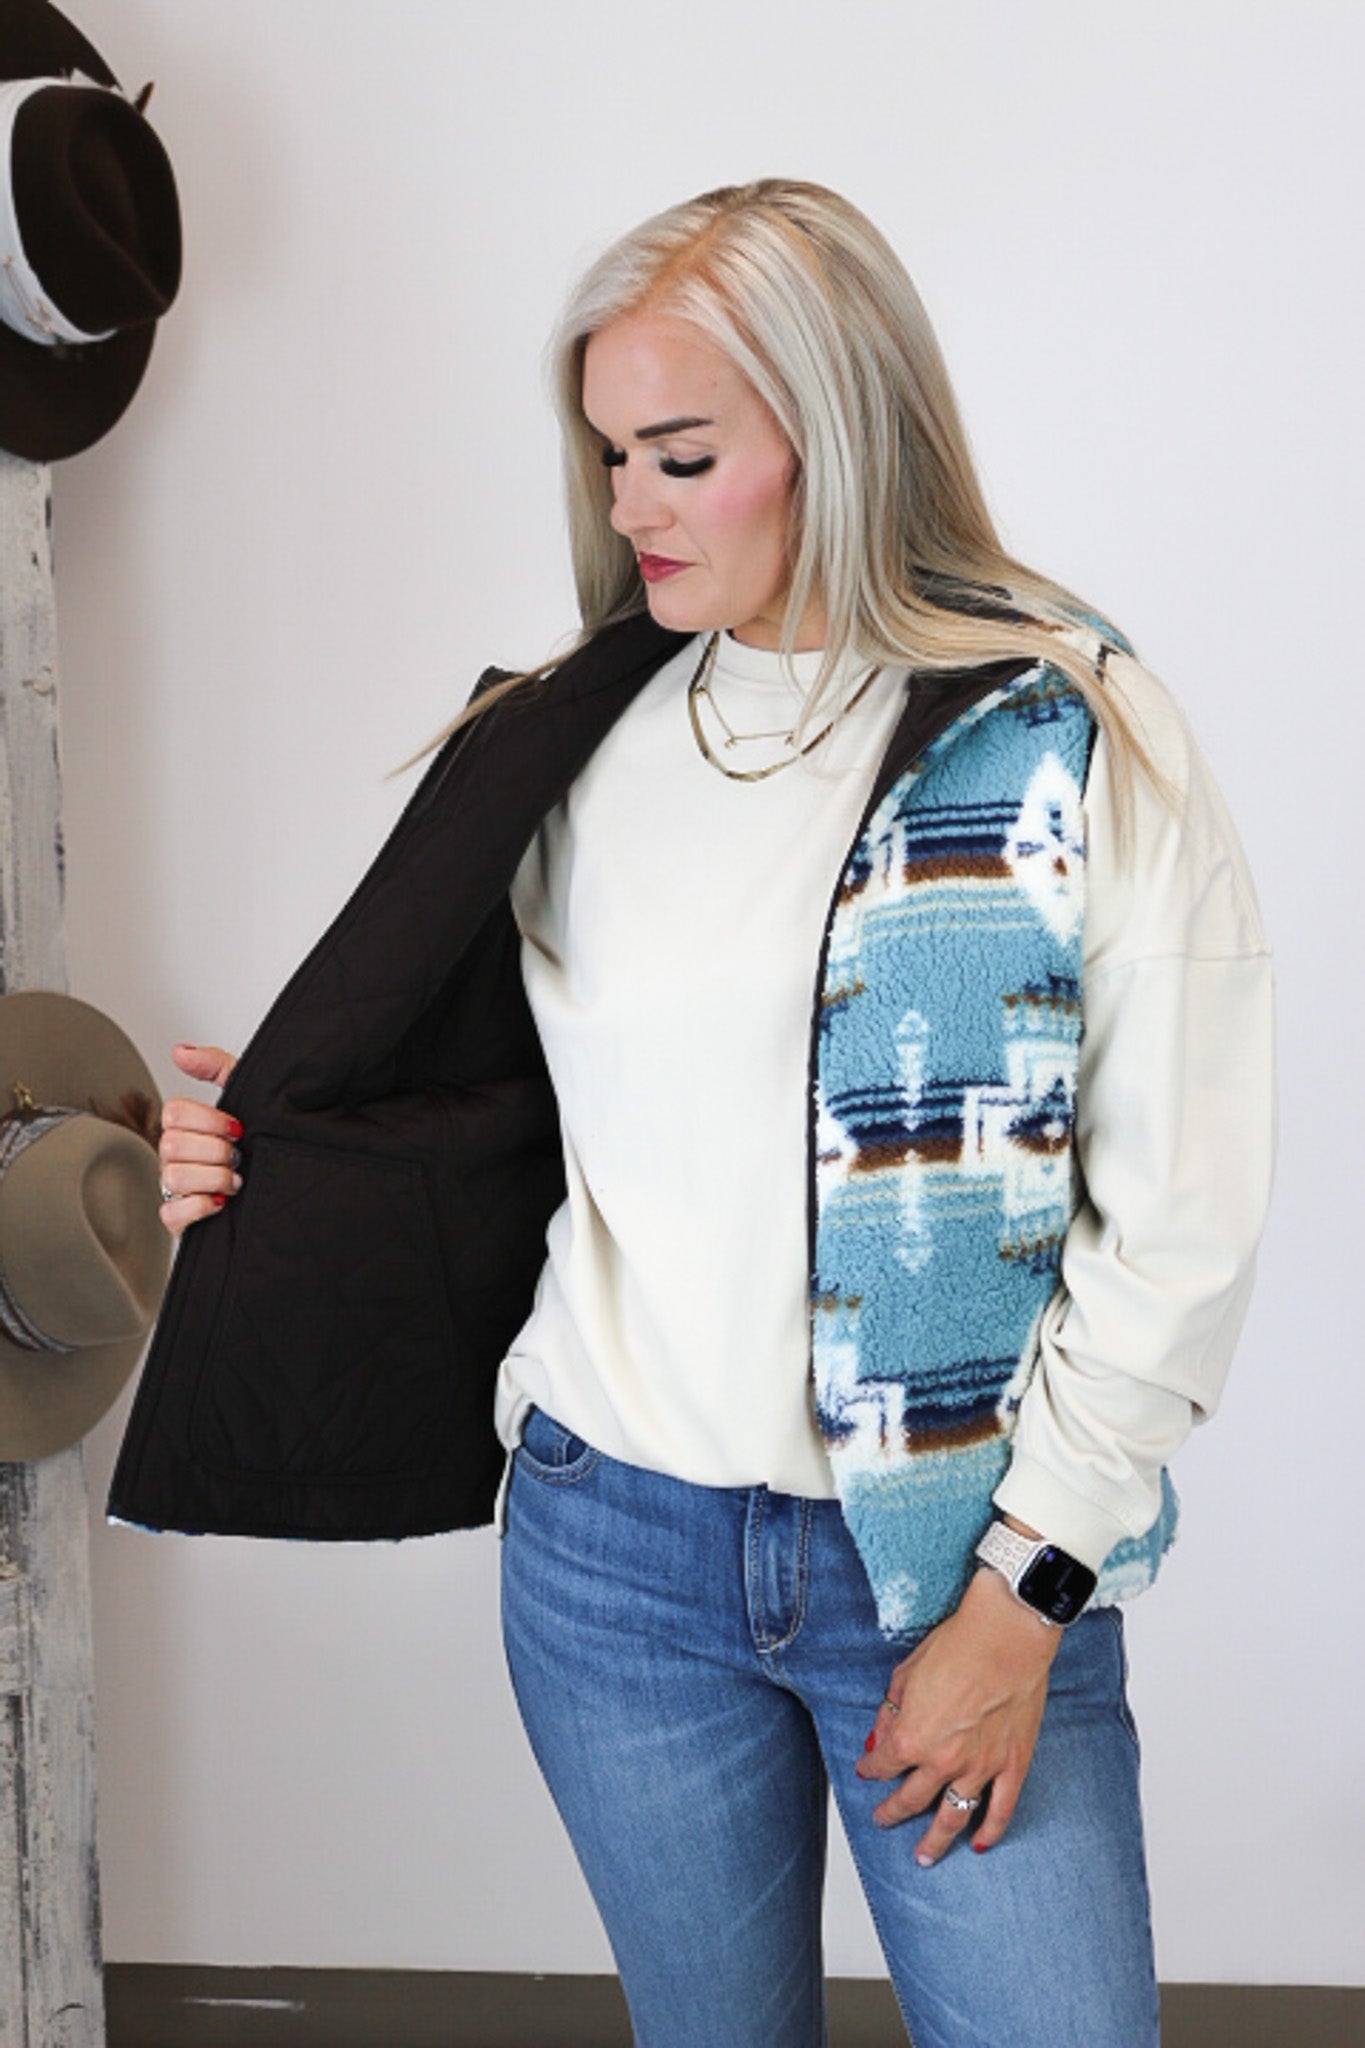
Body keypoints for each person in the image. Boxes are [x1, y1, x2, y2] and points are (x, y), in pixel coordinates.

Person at [132, 180, 1274, 2047]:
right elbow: (481, 1116)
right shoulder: (565, 737)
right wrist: (257, 1167)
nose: (627, 508)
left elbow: (1179, 1222)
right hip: (612, 1554)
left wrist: (1024, 1601)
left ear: (841, 431)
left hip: (952, 1568)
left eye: (679, 456)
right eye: (608, 458)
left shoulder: (1063, 724)